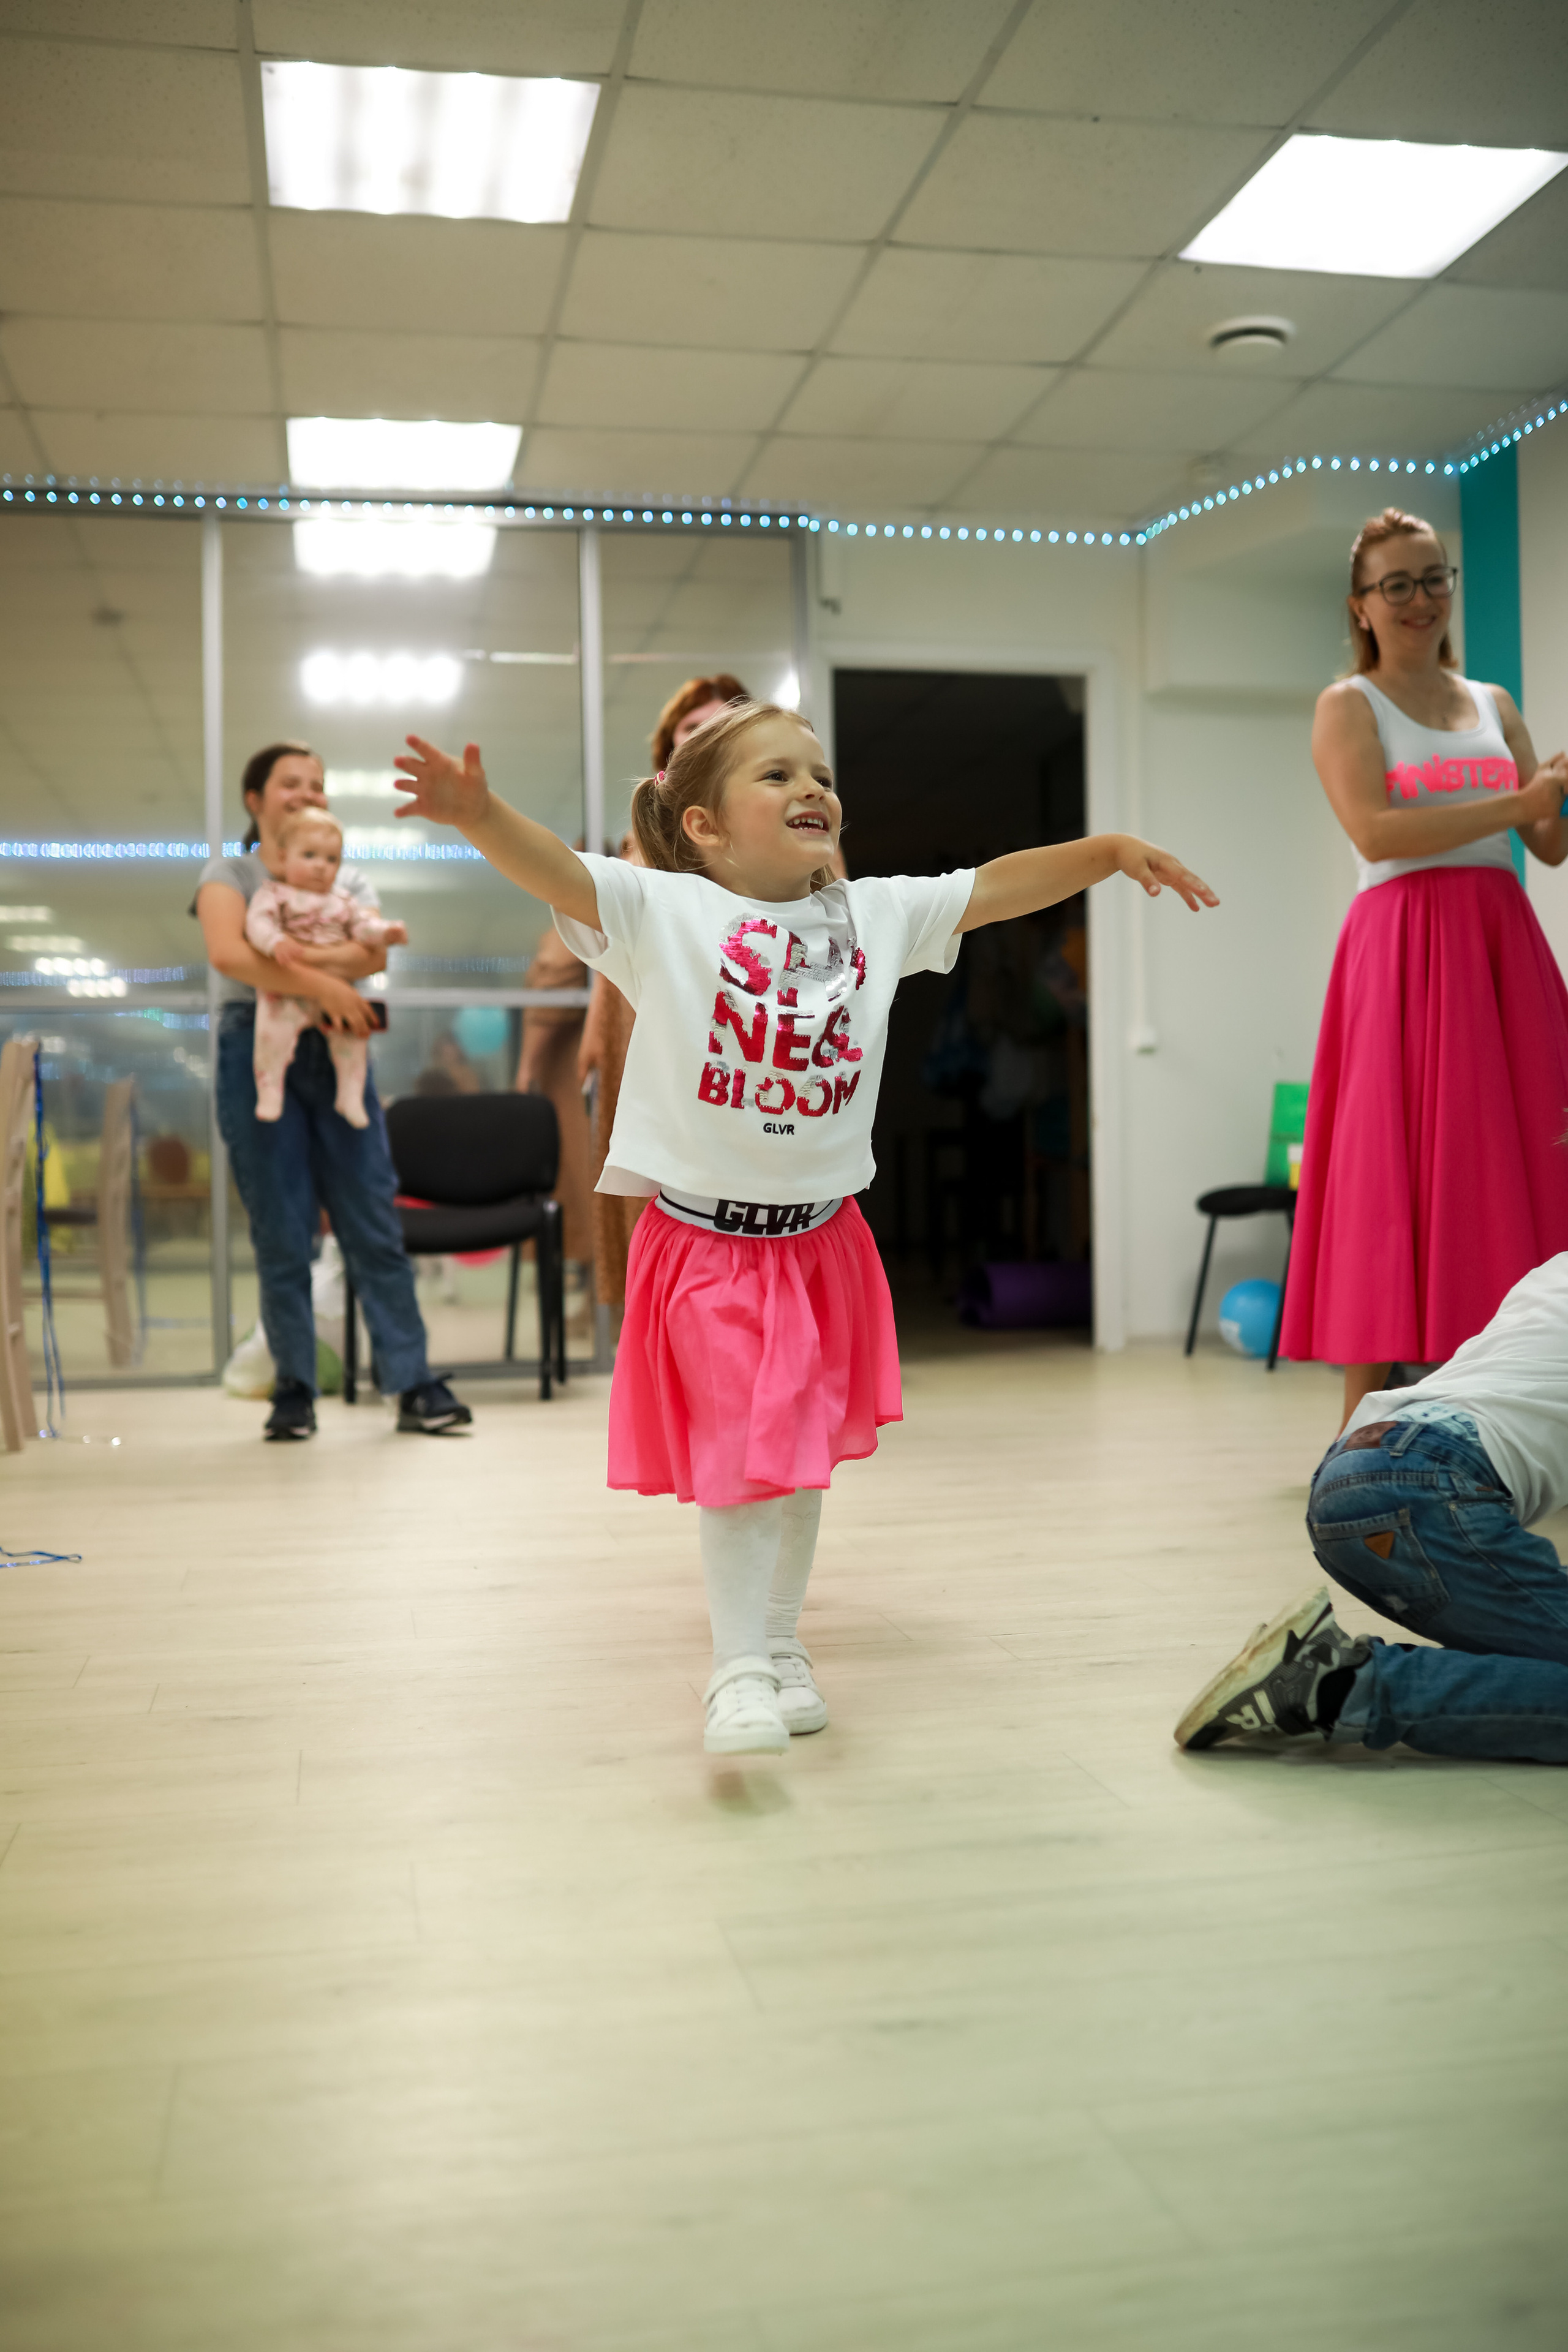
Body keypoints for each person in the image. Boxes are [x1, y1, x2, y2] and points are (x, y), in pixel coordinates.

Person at [392, 702, 1218, 1756]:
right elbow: (556, 870)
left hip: (822, 1241)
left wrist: (1106, 853)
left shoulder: (874, 917)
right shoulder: (663, 912)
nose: (812, 790)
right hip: (705, 1243)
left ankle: (779, 1644)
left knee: (797, 1456)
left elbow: (998, 888)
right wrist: (478, 815)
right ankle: (735, 1670)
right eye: (776, 776)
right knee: (748, 1449)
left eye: (821, 774)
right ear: (703, 826)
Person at [1280, 506, 1568, 1430]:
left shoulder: (1495, 705)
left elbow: (1546, 843)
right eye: (1396, 585)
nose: (1419, 599)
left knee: (1517, 1154)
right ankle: (1360, 1432)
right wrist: (1518, 800)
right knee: (1388, 1168)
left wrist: (1551, 796)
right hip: (1401, 950)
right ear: (1361, 606)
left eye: (1434, 578)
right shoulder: (1346, 706)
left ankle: (1512, 1403)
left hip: (1499, 947)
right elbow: (1376, 830)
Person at [1176, 1251, 1568, 1764]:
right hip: (1427, 1490)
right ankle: (1336, 1687)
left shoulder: (1552, 1271)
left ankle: (1333, 1680)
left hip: (1355, 1471)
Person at [194, 741, 472, 1442]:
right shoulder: (231, 871)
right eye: (290, 783)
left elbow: (373, 952)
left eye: (316, 783)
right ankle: (293, 1389)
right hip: (255, 1051)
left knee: (371, 1220)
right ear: (255, 800)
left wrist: (293, 965)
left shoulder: (345, 873)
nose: (307, 792)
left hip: (341, 1049)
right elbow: (230, 953)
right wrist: (323, 980)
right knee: (282, 1228)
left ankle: (412, 1382)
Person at [580, 675, 753, 1311]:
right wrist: (596, 1040)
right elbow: (611, 957)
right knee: (653, 1180)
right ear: (667, 754)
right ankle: (660, 1331)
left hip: (751, 1041)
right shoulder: (640, 851)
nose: (707, 732)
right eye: (691, 727)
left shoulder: (786, 833)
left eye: (724, 722)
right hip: (648, 1026)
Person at [243, 808, 407, 1128]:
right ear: (283, 857)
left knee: (352, 1042)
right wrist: (275, 942)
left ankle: (350, 1094)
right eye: (309, 855)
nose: (321, 865)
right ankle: (269, 1089)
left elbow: (364, 929)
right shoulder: (274, 894)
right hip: (289, 987)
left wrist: (386, 932)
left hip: (338, 991)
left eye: (331, 859)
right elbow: (256, 924)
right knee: (271, 1038)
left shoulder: (344, 901)